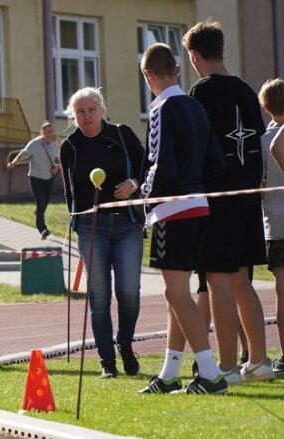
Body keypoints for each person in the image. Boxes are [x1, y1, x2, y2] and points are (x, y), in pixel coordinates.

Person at [183, 19, 274, 383]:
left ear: (194, 55)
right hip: (247, 196)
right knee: (242, 281)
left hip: (217, 198)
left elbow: (195, 146)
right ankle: (259, 361)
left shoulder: (200, 93)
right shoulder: (248, 92)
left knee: (218, 281)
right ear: (221, 49)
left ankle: (226, 367)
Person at [136, 43, 228, 394]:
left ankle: (209, 371)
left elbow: (159, 164)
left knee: (175, 293)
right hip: (199, 205)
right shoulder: (196, 107)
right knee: (177, 293)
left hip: (171, 209)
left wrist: (143, 201)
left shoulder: (161, 108)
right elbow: (215, 163)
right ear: (176, 69)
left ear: (148, 75)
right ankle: (170, 372)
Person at [60, 87, 145, 379]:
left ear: (102, 110)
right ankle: (106, 361)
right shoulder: (69, 146)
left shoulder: (122, 135)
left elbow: (145, 167)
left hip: (128, 223)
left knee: (128, 292)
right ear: (73, 116)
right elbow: (68, 189)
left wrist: (133, 184)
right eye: (80, 112)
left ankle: (125, 344)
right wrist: (77, 215)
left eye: (90, 110)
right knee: (99, 296)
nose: (86, 116)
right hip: (91, 227)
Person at [259, 78, 284, 376]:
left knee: (282, 291)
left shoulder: (261, 142)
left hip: (275, 225)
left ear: (265, 107)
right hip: (274, 224)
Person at [7, 120, 61, 239]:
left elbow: (58, 159)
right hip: (35, 177)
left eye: (51, 131)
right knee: (41, 202)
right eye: (47, 131)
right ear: (42, 132)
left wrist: (57, 168)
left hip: (49, 178)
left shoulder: (54, 145)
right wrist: (13, 163)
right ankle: (42, 228)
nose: (50, 134)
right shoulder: (34, 144)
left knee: (44, 203)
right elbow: (23, 153)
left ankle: (39, 211)